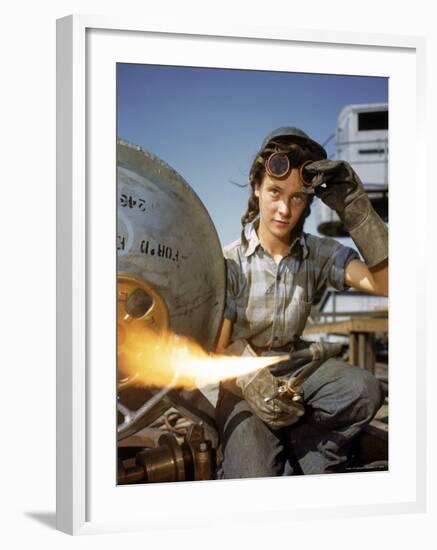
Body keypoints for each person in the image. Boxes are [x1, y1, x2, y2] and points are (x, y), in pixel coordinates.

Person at [214, 127, 388, 478]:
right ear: (257, 188)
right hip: (241, 380)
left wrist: (355, 207)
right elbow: (219, 349)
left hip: (296, 370)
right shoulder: (229, 261)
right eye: (275, 192)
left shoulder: (318, 254)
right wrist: (251, 381)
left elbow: (387, 283)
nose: (284, 209)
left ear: (308, 202)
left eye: (297, 198)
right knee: (252, 474)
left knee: (363, 390)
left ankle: (309, 456)